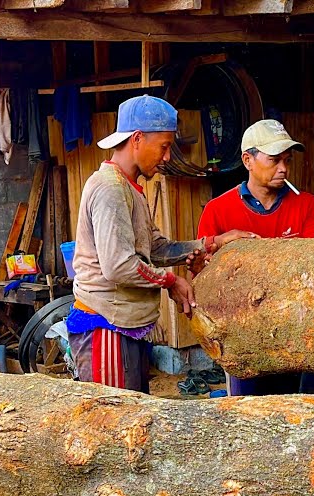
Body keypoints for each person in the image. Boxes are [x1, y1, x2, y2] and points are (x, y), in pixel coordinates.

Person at [68, 95, 253, 391]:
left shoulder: (130, 188)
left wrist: (211, 243)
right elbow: (119, 266)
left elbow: (155, 248)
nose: (167, 157)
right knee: (116, 426)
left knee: (132, 421)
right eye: (164, 146)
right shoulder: (110, 189)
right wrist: (170, 282)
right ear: (138, 138)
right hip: (106, 327)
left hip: (123, 327)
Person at [196, 119, 314, 396]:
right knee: (246, 412)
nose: (283, 168)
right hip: (241, 338)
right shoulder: (218, 211)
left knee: (291, 406)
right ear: (248, 160)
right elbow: (204, 279)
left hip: (293, 331)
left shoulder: (305, 205)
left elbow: (313, 271)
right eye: (274, 160)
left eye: (287, 160)